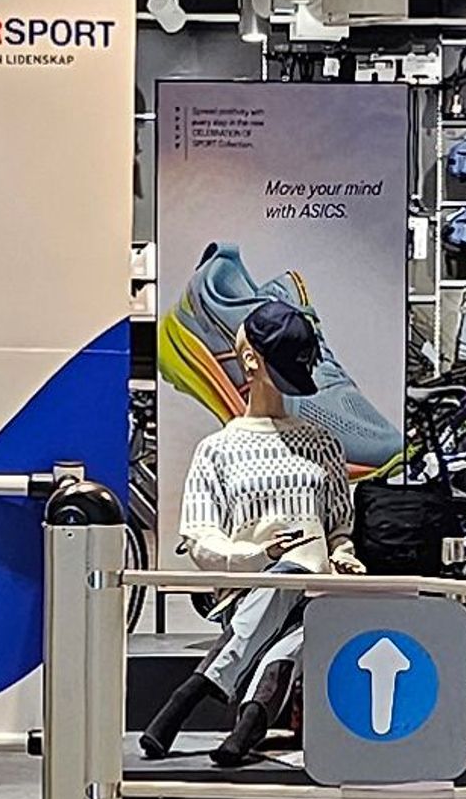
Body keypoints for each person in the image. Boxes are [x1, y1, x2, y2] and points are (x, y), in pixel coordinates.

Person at [139, 289, 360, 768]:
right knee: (292, 590)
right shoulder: (218, 450)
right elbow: (200, 539)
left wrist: (343, 554)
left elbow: (339, 527)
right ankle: (247, 725)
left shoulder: (323, 444)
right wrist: (262, 557)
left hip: (317, 595)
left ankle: (195, 693)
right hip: (248, 595)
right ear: (250, 360)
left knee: (308, 616)